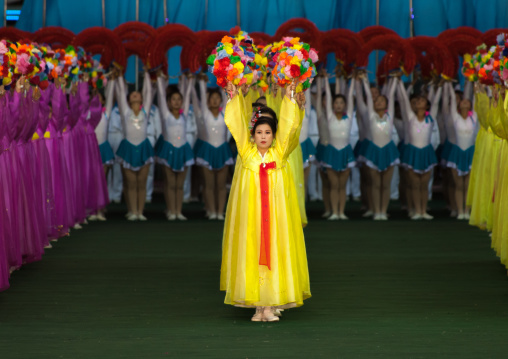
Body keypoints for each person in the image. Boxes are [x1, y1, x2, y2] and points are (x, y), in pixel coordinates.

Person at [221, 81, 311, 322]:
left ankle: (270, 305)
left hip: (274, 218)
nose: (263, 136)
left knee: (274, 254)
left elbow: (290, 126)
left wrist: (291, 96)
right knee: (252, 254)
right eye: (259, 132)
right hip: (252, 217)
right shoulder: (246, 152)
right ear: (253, 135)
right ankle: (258, 307)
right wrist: (233, 96)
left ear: (274, 135)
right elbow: (237, 124)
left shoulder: (278, 153)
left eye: (268, 132)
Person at [396, 78, 442, 220]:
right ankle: (416, 210)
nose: (418, 102)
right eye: (416, 102)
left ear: (426, 106)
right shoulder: (410, 117)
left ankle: (423, 210)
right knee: (415, 185)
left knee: (424, 184)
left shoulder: (430, 118)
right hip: (413, 152)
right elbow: (403, 100)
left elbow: (435, 103)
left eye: (422, 101)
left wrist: (438, 87)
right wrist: (399, 83)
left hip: (426, 152)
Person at [155, 72, 195, 220]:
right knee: (170, 183)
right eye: (174, 99)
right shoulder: (165, 114)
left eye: (179, 99)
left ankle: (179, 211)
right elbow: (160, 94)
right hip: (169, 150)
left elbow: (188, 93)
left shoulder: (184, 114)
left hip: (183, 150)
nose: (177, 102)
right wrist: (159, 79)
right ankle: (171, 210)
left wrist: (189, 80)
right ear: (169, 102)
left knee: (179, 184)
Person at [115, 71, 154, 221]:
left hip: (144, 148)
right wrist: (119, 77)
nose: (136, 95)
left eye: (138, 94)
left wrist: (146, 74)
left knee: (141, 182)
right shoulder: (125, 111)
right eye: (133, 94)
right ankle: (132, 210)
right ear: (129, 99)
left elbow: (149, 92)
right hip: (128, 148)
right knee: (131, 183)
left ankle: (140, 211)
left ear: (142, 99)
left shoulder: (146, 111)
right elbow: (120, 95)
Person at [194, 75, 233, 220]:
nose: (216, 100)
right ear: (208, 101)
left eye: (218, 98)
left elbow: (226, 97)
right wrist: (201, 82)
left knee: (221, 185)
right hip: (207, 151)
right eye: (212, 98)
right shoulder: (205, 112)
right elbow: (202, 100)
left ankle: (219, 211)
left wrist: (226, 79)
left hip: (222, 150)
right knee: (209, 184)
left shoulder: (225, 112)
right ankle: (210, 211)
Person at [360, 74, 398, 220]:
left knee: (386, 184)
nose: (379, 102)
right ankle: (376, 211)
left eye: (382, 100)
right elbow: (369, 98)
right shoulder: (371, 115)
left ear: (387, 104)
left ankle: (383, 210)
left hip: (388, 150)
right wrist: (364, 81)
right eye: (377, 101)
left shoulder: (390, 116)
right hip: (374, 150)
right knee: (376, 183)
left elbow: (392, 95)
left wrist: (394, 80)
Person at [321, 72, 356, 220]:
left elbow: (351, 98)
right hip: (332, 152)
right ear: (333, 105)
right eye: (336, 103)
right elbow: (328, 97)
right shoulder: (329, 115)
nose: (339, 105)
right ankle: (334, 212)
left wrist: (353, 79)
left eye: (341, 103)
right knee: (334, 185)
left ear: (345, 105)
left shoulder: (349, 117)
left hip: (346, 152)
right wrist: (325, 80)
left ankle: (342, 212)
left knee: (342, 186)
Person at [443, 81, 478, 220]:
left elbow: (476, 98)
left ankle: (467, 211)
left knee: (468, 185)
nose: (464, 102)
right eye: (461, 101)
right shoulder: (455, 117)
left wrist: (477, 82)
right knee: (458, 184)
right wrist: (448, 83)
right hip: (457, 152)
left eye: (467, 101)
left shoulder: (474, 117)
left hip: (469, 152)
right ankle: (459, 211)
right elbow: (451, 100)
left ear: (470, 105)